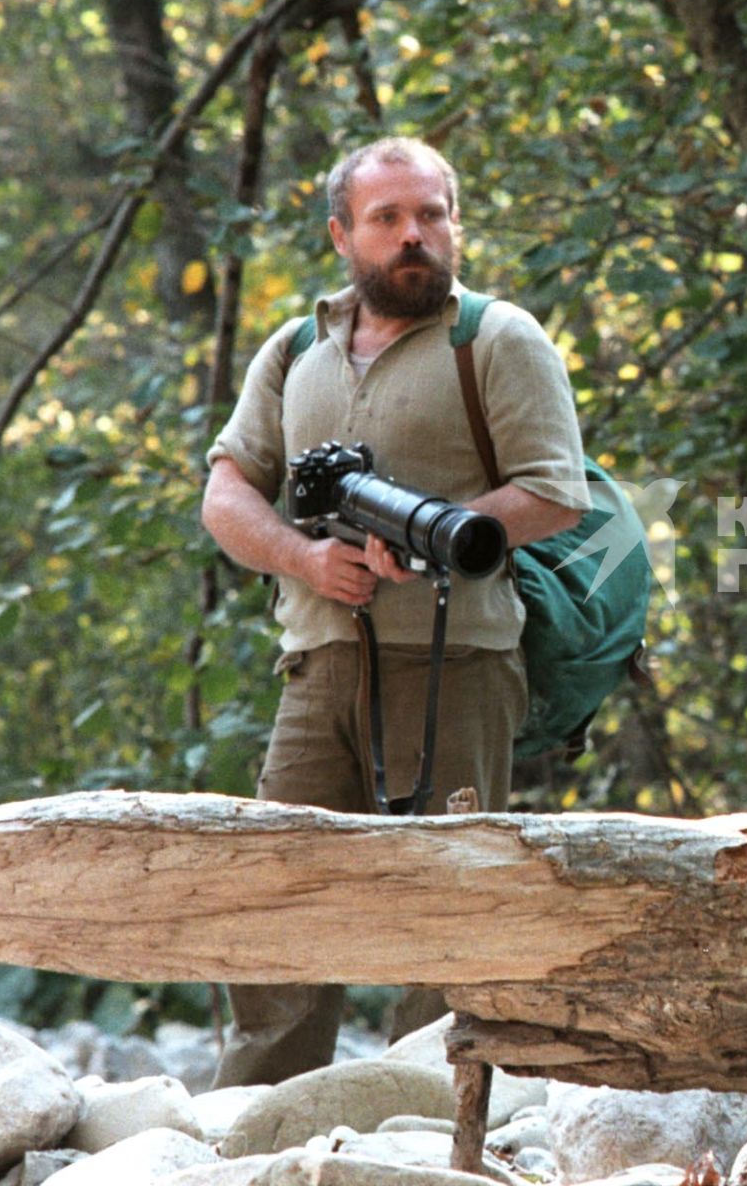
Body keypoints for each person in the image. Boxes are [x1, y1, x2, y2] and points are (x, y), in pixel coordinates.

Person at [200, 137, 589, 1086]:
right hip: (318, 665)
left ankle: (426, 1122)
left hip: (460, 663)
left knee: (447, 911)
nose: (414, 236)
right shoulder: (295, 350)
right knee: (280, 895)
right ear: (343, 234)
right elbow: (225, 493)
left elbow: (555, 491)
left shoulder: (496, 338)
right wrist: (303, 556)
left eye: (431, 215)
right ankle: (253, 1129)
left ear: (456, 225)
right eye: (388, 218)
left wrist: (436, 533)